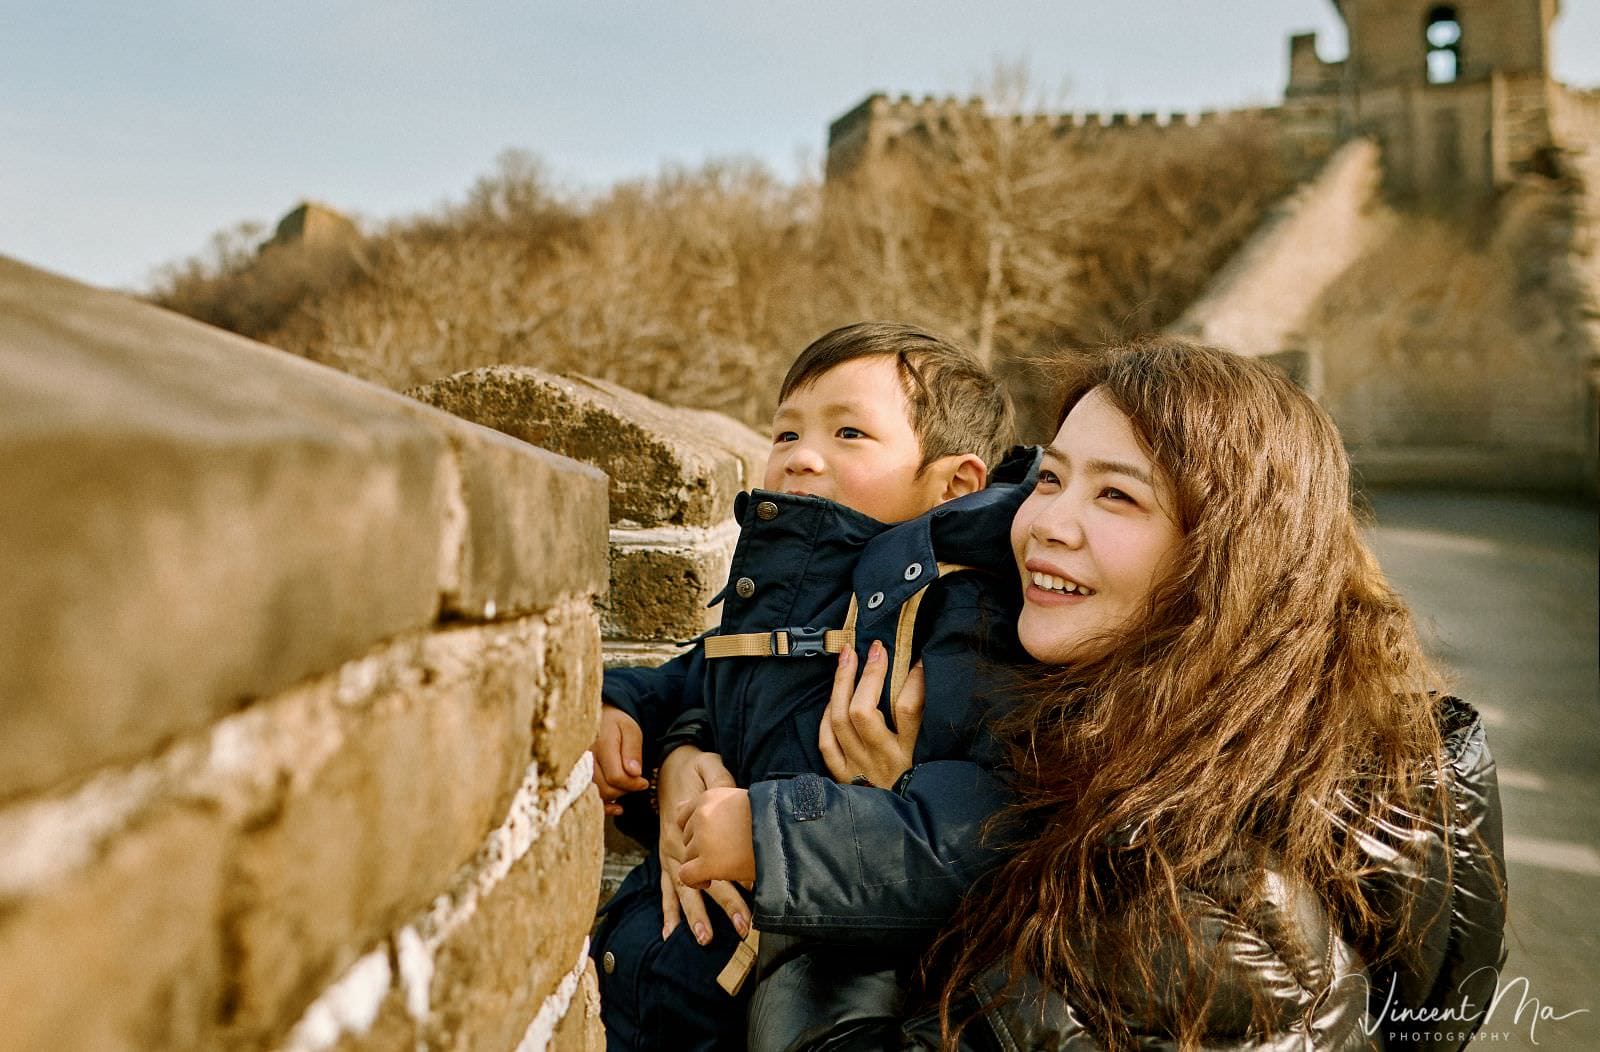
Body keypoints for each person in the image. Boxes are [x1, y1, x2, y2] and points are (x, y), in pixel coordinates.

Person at [838, 336, 1505, 1051]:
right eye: (1051, 479)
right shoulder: (1196, 753)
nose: (1046, 527)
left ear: (1227, 557)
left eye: (1118, 495)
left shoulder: (1189, 901)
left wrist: (863, 859)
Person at [589, 322, 1036, 1051]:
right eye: (786, 433)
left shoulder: (960, 618)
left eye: (849, 433)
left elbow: (982, 824)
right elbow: (704, 673)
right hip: (649, 985)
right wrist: (631, 708)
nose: (802, 458)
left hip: (772, 1012)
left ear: (955, 483)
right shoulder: (785, 592)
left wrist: (768, 832)